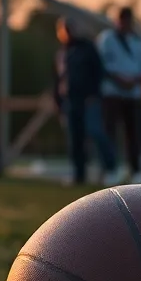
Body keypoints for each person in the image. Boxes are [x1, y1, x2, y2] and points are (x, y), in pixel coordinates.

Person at [55, 19, 119, 186]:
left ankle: (111, 167)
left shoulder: (88, 48)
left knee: (95, 131)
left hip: (89, 99)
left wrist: (94, 94)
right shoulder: (62, 53)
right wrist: (59, 103)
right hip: (70, 101)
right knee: (75, 138)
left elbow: (98, 72)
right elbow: (58, 80)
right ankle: (79, 174)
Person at [96, 6, 141, 182]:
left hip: (133, 93)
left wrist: (133, 81)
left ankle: (135, 170)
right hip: (112, 92)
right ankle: (109, 169)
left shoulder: (139, 42)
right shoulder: (106, 39)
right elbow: (102, 64)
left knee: (133, 133)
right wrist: (119, 79)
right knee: (109, 131)